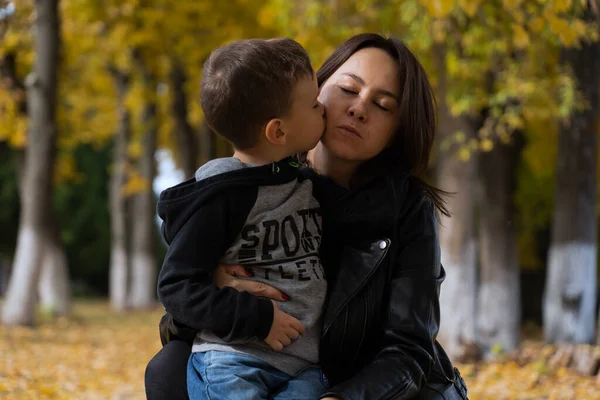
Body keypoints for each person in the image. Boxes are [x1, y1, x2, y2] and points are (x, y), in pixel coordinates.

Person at [146, 33, 469, 400]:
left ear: (398, 131)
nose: (359, 108)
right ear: (317, 90)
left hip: (359, 385)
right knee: (168, 368)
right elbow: (180, 304)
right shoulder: (254, 187)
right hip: (266, 366)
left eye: (382, 105)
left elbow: (409, 351)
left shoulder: (408, 209)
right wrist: (216, 281)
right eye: (348, 89)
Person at [156, 38, 330, 400]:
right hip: (234, 361)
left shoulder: (304, 184)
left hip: (305, 368)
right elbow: (176, 287)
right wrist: (258, 319)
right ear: (278, 131)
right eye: (314, 105)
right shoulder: (223, 194)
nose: (324, 110)